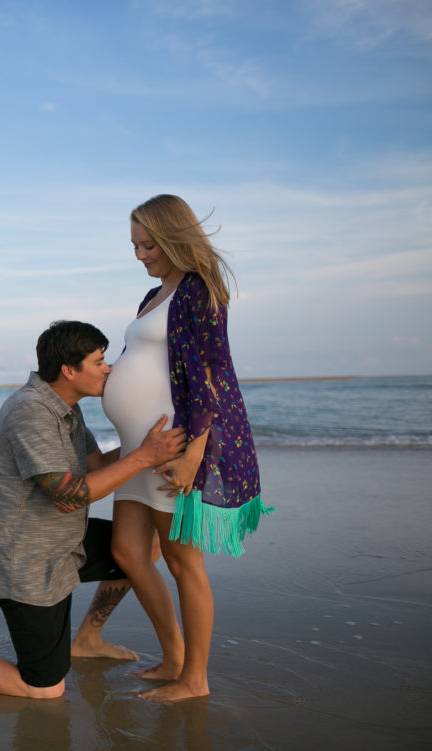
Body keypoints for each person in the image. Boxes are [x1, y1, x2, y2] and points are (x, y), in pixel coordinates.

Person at [0, 320, 186, 699]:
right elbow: (69, 496)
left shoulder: (67, 408)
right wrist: (143, 457)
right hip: (28, 565)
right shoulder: (29, 412)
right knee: (44, 689)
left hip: (67, 543)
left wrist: (148, 447)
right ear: (69, 370)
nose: (108, 369)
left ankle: (88, 639)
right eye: (99, 362)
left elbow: (97, 466)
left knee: (142, 547)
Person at [103, 194, 273, 702]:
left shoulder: (200, 290)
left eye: (148, 245)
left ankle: (194, 679)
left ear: (173, 237)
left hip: (173, 448)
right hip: (138, 449)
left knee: (182, 563)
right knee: (128, 552)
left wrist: (193, 455)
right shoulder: (152, 296)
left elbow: (213, 372)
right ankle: (174, 659)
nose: (140, 255)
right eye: (134, 246)